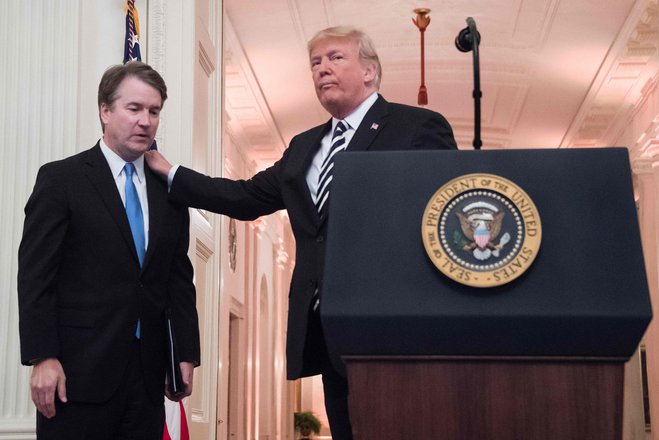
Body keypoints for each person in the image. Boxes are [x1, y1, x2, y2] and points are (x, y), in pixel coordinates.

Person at [146, 26, 457, 439]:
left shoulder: (416, 127)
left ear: (369, 71)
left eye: (335, 58)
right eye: (315, 62)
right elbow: (244, 196)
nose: (322, 69)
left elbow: (443, 214)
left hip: (393, 324)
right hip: (325, 323)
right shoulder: (304, 145)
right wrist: (172, 175)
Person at [17, 61, 200, 439]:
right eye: (134, 109)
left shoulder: (168, 189)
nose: (145, 121)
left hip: (149, 380)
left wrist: (185, 352)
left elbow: (178, 278)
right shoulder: (61, 180)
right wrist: (42, 356)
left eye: (154, 111)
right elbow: (36, 276)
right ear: (105, 110)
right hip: (76, 377)